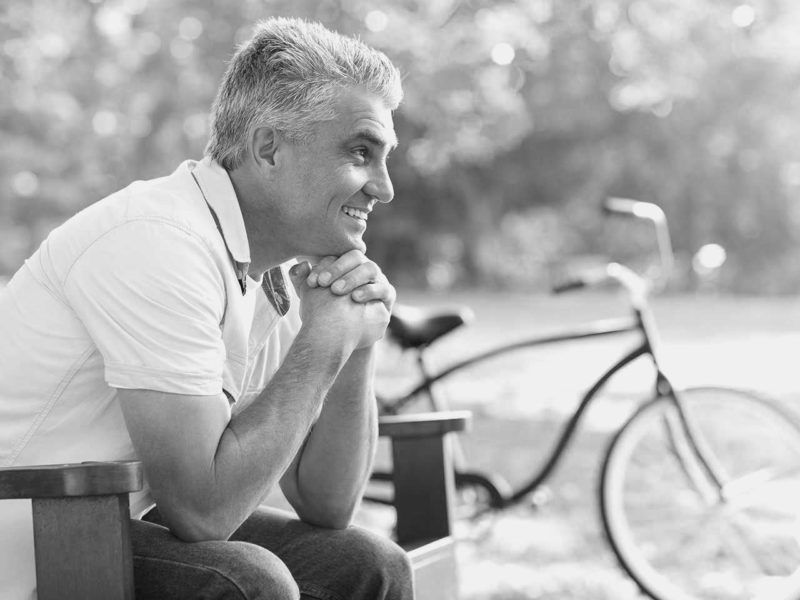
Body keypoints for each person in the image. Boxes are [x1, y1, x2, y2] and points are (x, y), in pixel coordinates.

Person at [0, 17, 413, 600]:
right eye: (360, 152)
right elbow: (201, 511)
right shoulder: (158, 242)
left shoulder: (274, 269)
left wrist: (355, 339)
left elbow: (328, 503)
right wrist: (324, 342)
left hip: (100, 521)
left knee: (368, 563)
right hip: (23, 543)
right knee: (246, 583)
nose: (384, 187)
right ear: (269, 149)